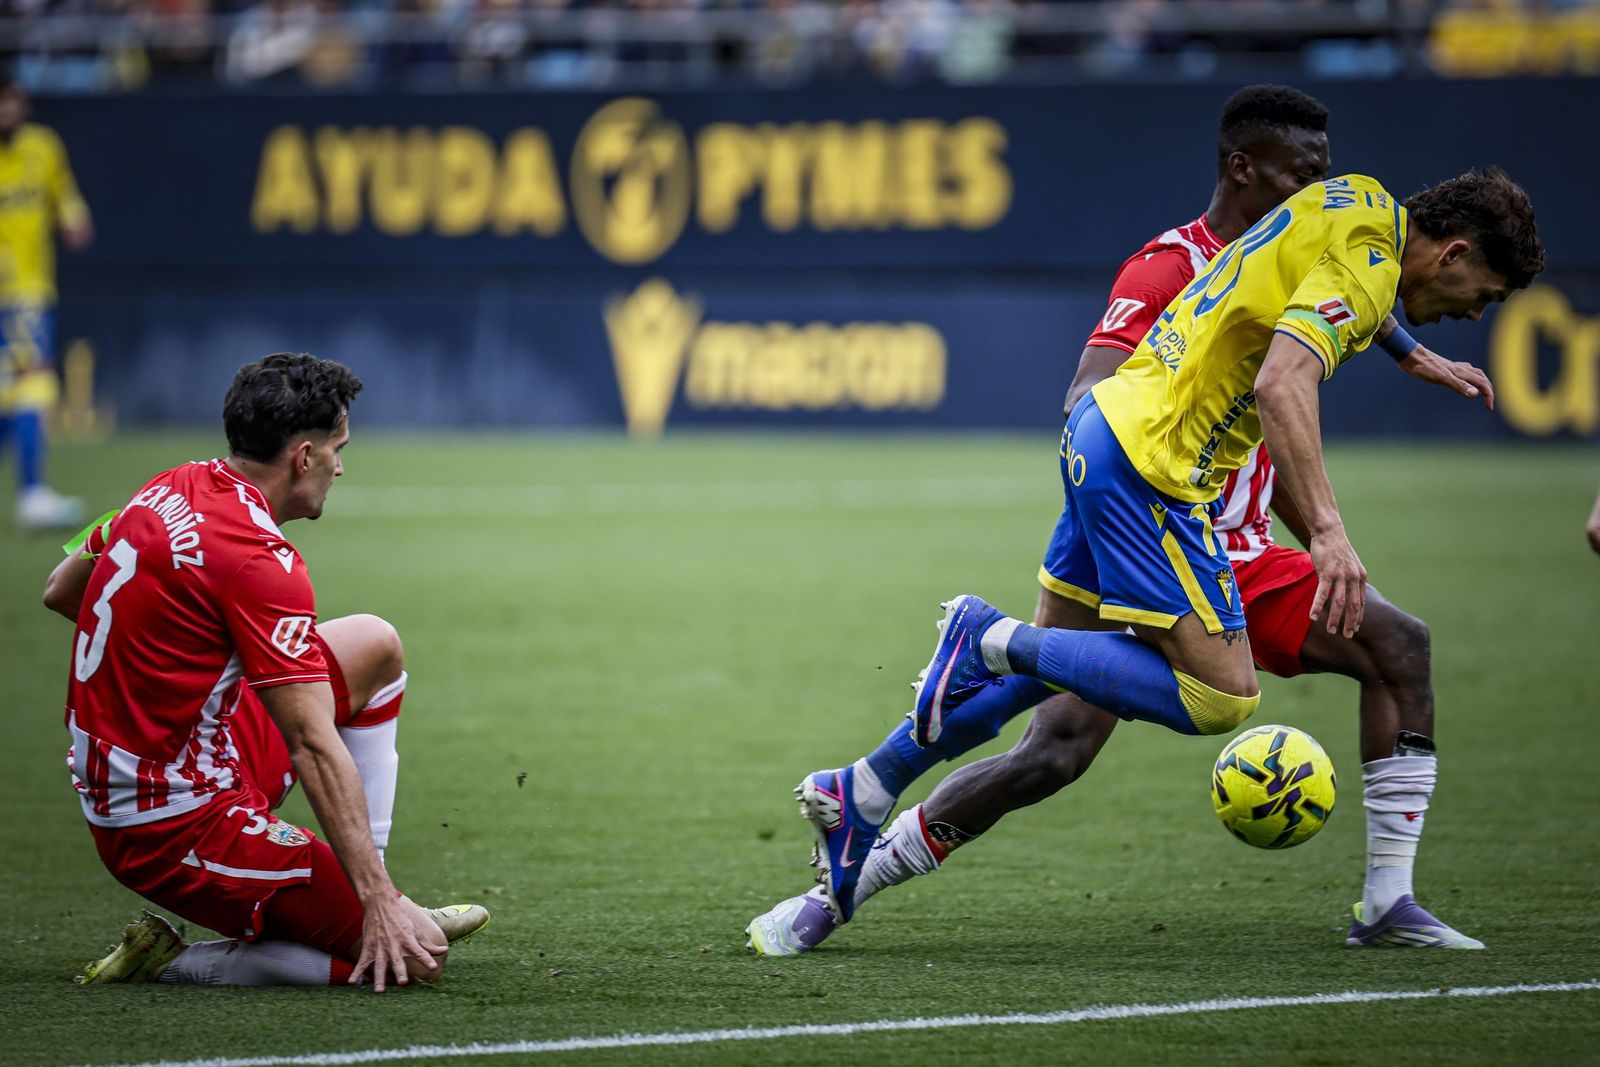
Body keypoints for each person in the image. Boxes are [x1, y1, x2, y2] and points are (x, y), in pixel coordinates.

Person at [748, 93, 1543, 955]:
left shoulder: (1350, 218)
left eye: (1320, 169)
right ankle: (860, 855)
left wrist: (1409, 350)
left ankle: (866, 789)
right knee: (1120, 726)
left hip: (1206, 521)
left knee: (1396, 644)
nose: (1315, 178)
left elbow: (1356, 276)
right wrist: (1310, 529)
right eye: (1300, 168)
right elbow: (1127, 391)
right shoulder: (1169, 265)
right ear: (1245, 167)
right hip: (1158, 503)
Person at [46, 352, 487, 989]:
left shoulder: (168, 485)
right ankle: (179, 962)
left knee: (373, 645)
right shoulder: (260, 560)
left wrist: (163, 666)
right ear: (303, 457)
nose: (341, 465)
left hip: (186, 758)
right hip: (166, 826)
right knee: (414, 958)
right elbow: (309, 742)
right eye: (338, 448)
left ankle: (375, 891)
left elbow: (62, 588)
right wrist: (374, 901)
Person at [0, 78, 92, 531]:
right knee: (21, 392)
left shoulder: (42, 146)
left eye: (11, 101)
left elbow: (62, 191)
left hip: (29, 293)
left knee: (30, 388)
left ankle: (32, 490)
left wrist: (74, 217)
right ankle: (31, 493)